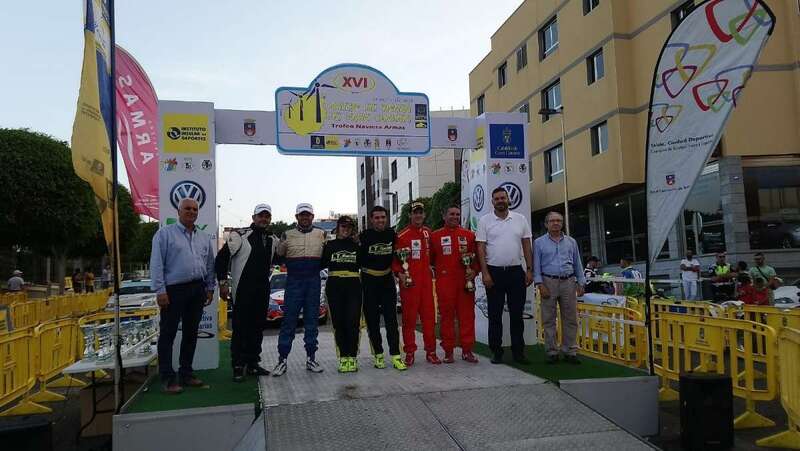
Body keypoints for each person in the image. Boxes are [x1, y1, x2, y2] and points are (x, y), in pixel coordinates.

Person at [150, 198, 216, 394]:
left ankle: (186, 373)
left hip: (197, 289)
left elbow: (210, 264)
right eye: (187, 208)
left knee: (190, 334)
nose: (191, 211)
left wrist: (210, 287)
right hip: (173, 291)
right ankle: (167, 378)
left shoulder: (204, 237)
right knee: (168, 334)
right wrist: (160, 290)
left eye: (195, 209)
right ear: (178, 211)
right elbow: (156, 264)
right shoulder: (164, 235)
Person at [215, 203, 279, 382]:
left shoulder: (272, 239)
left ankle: (252, 363)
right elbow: (221, 259)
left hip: (262, 289)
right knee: (241, 328)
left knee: (258, 327)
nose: (263, 219)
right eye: (261, 216)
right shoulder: (240, 235)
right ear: (253, 217)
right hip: (242, 290)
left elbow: (281, 257)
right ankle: (237, 365)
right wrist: (223, 283)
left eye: (267, 216)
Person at [476, 187, 534, 365]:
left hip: (516, 272)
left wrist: (530, 269)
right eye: (497, 198)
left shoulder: (520, 219)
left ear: (508, 199)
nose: (500, 200)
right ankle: (497, 351)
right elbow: (480, 248)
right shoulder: (485, 221)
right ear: (492, 201)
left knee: (517, 315)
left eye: (503, 197)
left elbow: (526, 244)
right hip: (493, 273)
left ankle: (519, 352)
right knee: (495, 316)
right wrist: (485, 273)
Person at [272, 203, 327, 377]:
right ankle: (282, 360)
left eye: (308, 215)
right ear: (296, 217)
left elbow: (326, 257)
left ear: (313, 216)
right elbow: (278, 256)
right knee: (288, 322)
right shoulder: (287, 234)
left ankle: (311, 358)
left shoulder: (321, 234)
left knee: (312, 322)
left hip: (313, 281)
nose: (305, 217)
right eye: (302, 215)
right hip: (294, 281)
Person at [430, 205, 480, 364]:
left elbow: (478, 259)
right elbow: (430, 259)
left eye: (457, 214)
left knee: (467, 317)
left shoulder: (470, 235)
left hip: (465, 283)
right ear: (444, 215)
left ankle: (467, 350)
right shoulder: (435, 236)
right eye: (451, 214)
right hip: (445, 283)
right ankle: (448, 351)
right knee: (447, 318)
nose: (455, 217)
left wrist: (474, 271)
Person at [534, 212, 585, 365]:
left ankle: (570, 351)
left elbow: (577, 262)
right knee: (549, 318)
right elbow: (536, 265)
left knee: (570, 318)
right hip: (548, 281)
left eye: (558, 221)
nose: (555, 223)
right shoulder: (538, 243)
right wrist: (539, 284)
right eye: (552, 221)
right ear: (546, 224)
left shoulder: (571, 242)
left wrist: (581, 281)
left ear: (562, 223)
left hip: (568, 281)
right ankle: (551, 351)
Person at [358, 206, 406, 371]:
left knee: (392, 320)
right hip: (369, 281)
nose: (380, 220)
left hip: (386, 281)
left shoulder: (391, 234)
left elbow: (398, 256)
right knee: (372, 321)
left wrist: (401, 272)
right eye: (377, 218)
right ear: (371, 220)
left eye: (383, 217)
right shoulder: (364, 236)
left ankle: (396, 356)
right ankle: (378, 355)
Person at [393, 201, 438, 366]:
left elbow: (434, 255)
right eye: (415, 213)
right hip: (410, 284)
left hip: (426, 283)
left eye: (421, 212)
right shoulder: (402, 235)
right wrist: (400, 274)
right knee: (409, 320)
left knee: (429, 318)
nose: (418, 215)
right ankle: (410, 352)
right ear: (410, 215)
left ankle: (431, 352)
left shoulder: (428, 233)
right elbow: (396, 261)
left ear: (424, 215)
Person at [320, 216, 362, 373]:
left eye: (349, 227)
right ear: (337, 228)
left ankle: (352, 357)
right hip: (334, 286)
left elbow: (364, 263)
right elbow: (320, 263)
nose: (346, 229)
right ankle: (343, 357)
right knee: (338, 323)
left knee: (352, 322)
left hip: (353, 286)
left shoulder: (356, 246)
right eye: (343, 226)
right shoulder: (329, 245)